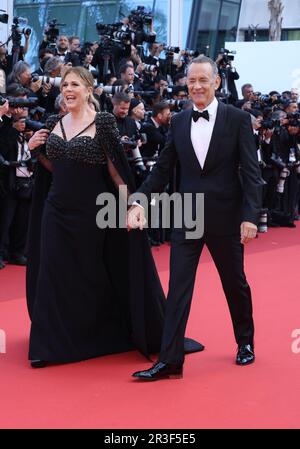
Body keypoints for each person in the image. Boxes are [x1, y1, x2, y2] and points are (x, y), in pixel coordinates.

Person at [26, 66, 203, 368]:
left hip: (93, 213)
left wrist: (132, 207)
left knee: (90, 275)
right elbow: (58, 168)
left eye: (75, 85)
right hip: (56, 211)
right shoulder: (54, 122)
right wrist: (36, 152)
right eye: (64, 84)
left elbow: (116, 172)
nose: (67, 90)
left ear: (89, 89)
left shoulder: (104, 122)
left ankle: (94, 334)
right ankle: (49, 346)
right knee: (52, 273)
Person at [128, 56, 264, 381]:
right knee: (178, 288)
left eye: (203, 80)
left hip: (226, 218)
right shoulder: (178, 121)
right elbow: (162, 169)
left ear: (217, 82)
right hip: (187, 215)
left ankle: (245, 341)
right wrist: (138, 201)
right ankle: (171, 360)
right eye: (191, 81)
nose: (197, 86)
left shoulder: (238, 119)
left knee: (235, 283)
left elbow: (252, 171)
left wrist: (250, 216)